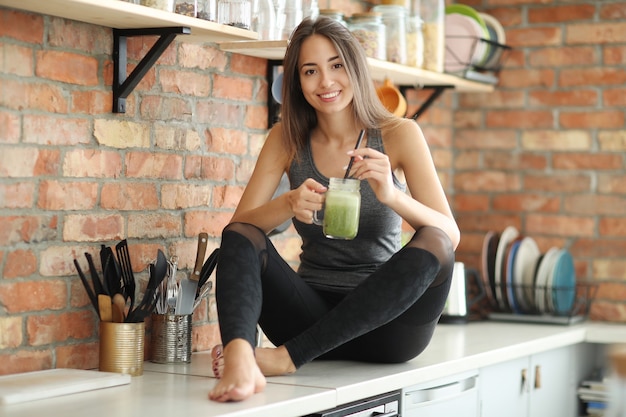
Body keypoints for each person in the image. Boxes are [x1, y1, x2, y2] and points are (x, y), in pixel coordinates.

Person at [208, 15, 460, 403]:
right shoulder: (286, 138)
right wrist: (287, 203)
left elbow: (451, 235)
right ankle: (241, 356)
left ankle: (286, 359)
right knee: (239, 235)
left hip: (387, 327)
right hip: (309, 315)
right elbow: (240, 231)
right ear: (297, 81)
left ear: (354, 68)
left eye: (336, 65)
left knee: (436, 243)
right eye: (310, 71)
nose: (325, 82)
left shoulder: (399, 134)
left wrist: (393, 195)